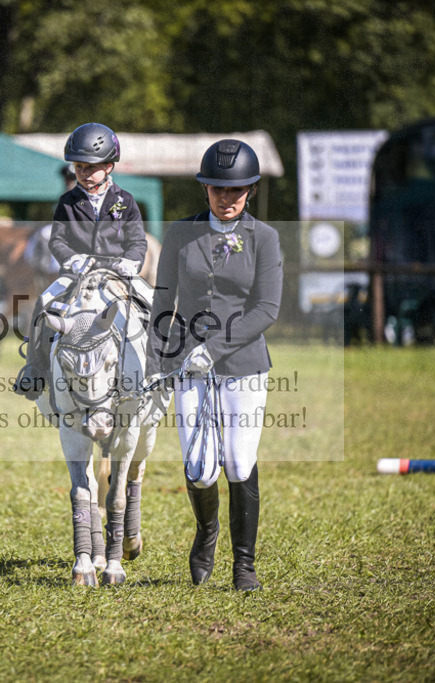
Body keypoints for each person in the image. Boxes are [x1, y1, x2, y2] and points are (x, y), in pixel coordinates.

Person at [148, 139, 283, 592]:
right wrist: (158, 356)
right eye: (218, 191)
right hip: (188, 362)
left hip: (243, 364)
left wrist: (216, 348)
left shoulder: (264, 238)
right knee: (201, 469)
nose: (227, 200)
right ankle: (207, 533)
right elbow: (163, 301)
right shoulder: (180, 234)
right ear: (205, 189)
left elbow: (266, 309)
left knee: (239, 463)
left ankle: (244, 564)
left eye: (237, 191)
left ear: (250, 190)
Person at [13, 123, 148, 399]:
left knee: (153, 300)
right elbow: (57, 240)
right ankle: (34, 368)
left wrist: (132, 262)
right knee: (44, 301)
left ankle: (158, 364)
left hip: (116, 273)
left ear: (109, 166)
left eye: (90, 167)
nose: (83, 173)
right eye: (78, 168)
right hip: (78, 274)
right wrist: (71, 259)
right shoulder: (67, 202)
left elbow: (137, 242)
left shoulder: (126, 201)